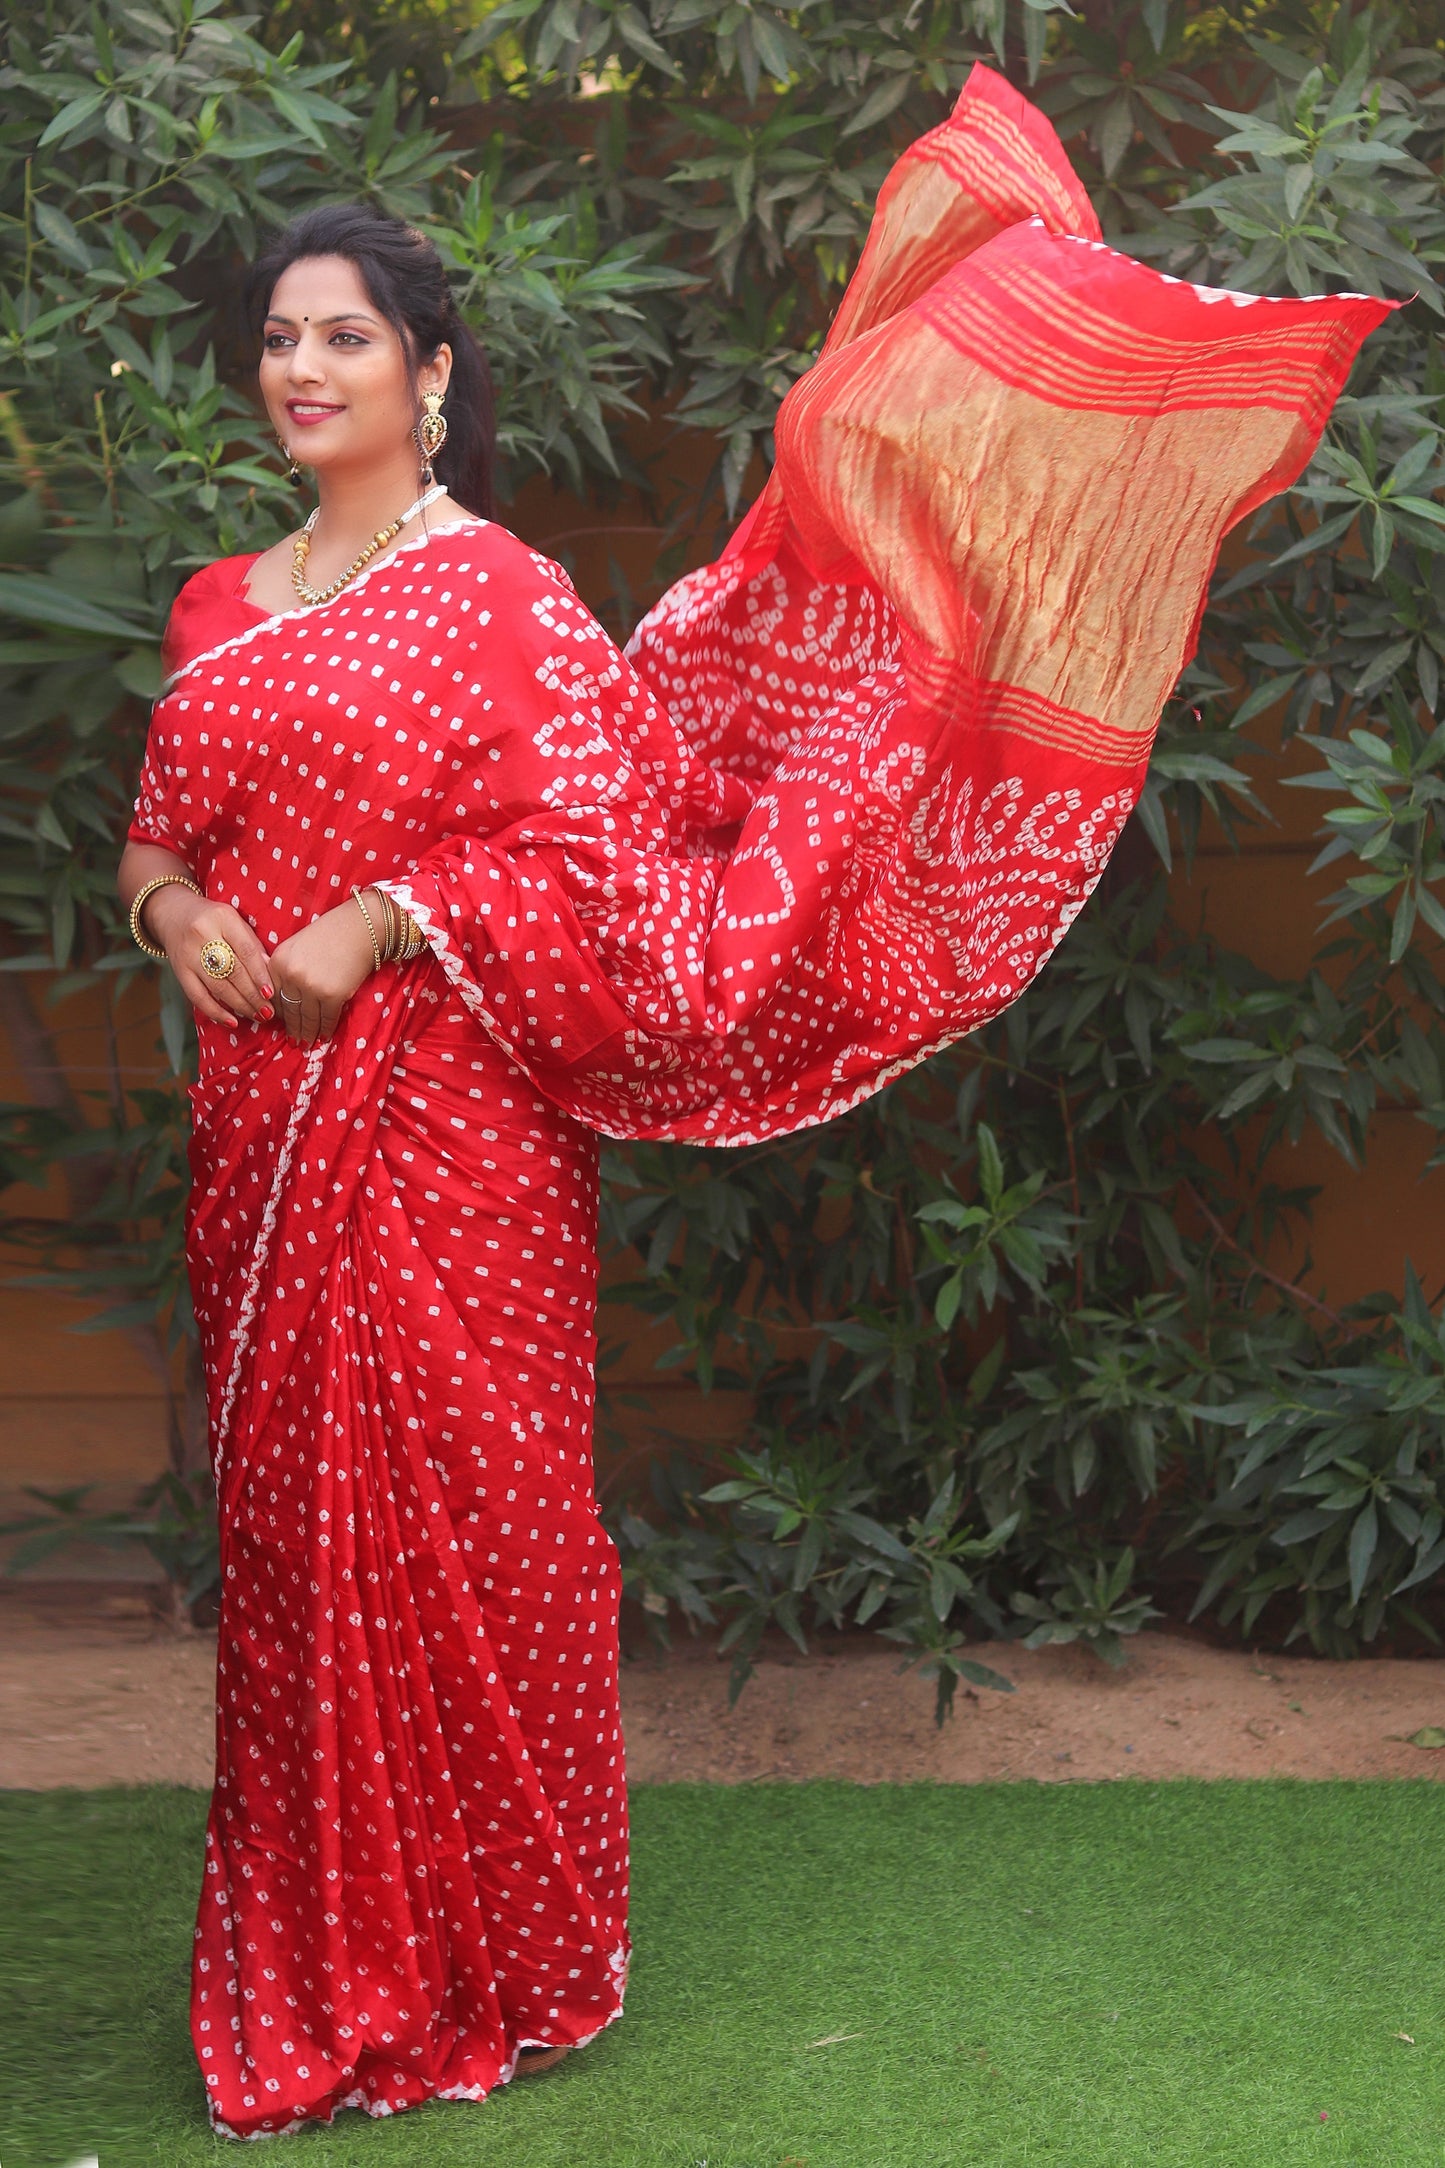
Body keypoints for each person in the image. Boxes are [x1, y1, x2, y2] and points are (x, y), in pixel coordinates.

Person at [117, 64, 1386, 2141]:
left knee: (476, 1523)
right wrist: (176, 913)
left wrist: (396, 909)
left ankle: (492, 1958)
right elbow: (155, 834)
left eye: (346, 333)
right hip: (257, 1135)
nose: (303, 366)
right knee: (295, 1548)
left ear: (432, 371)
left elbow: (614, 878)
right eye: (278, 336)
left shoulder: (510, 601)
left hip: (451, 1133)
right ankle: (320, 1944)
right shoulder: (212, 613)